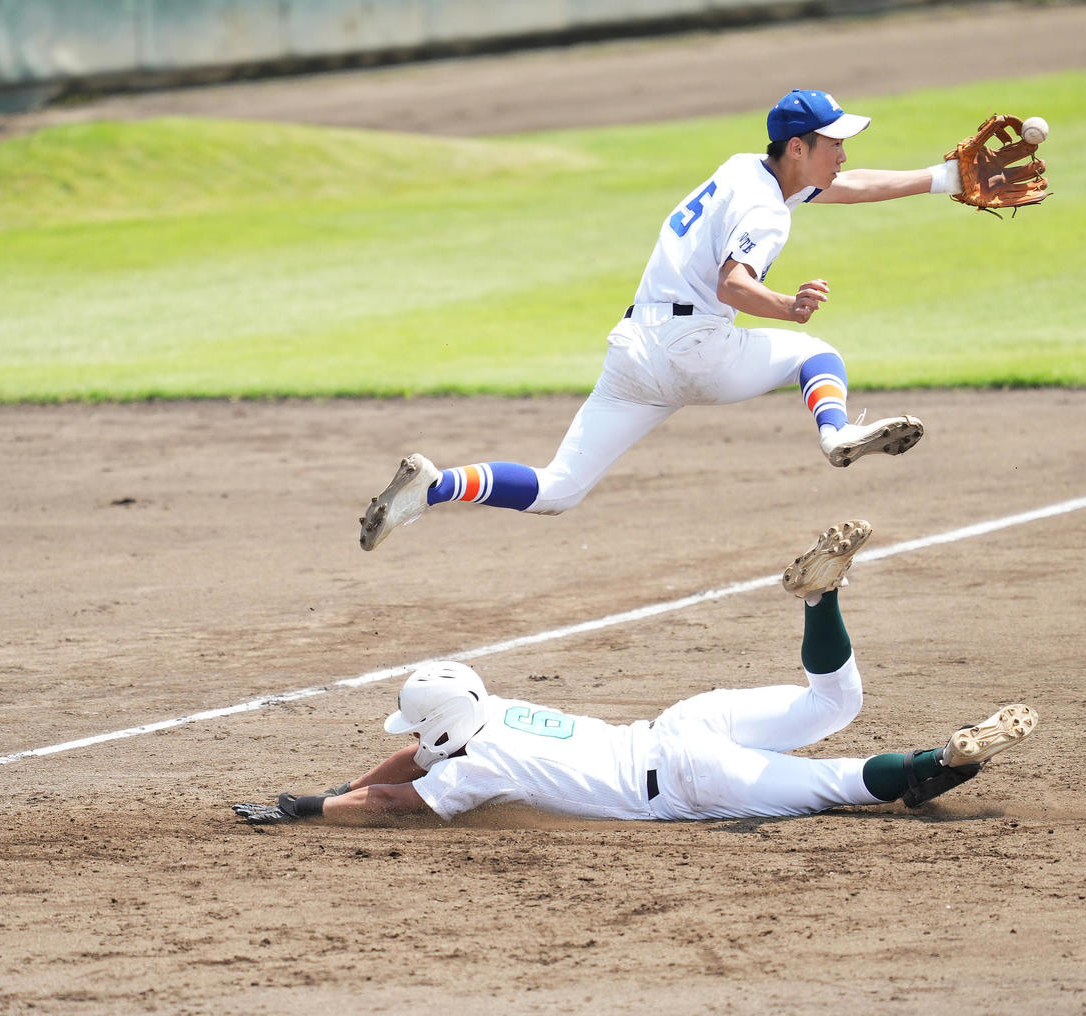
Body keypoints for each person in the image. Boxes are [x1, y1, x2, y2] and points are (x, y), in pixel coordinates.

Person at [357, 89, 972, 551]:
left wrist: (940, 178)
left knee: (559, 488)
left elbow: (852, 186)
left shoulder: (743, 169)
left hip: (633, 350)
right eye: (833, 141)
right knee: (817, 354)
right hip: (693, 350)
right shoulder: (768, 215)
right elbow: (732, 282)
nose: (844, 152)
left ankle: (434, 488)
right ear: (797, 147)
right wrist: (787, 305)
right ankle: (835, 435)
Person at [234, 521, 1039, 825]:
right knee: (835, 701)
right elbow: (407, 758)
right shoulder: (496, 711)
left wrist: (308, 807)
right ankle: (821, 602)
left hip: (692, 780)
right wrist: (341, 782)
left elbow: (391, 793)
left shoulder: (469, 773)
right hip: (686, 722)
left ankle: (939, 762)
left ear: (441, 726)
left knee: (837, 782)